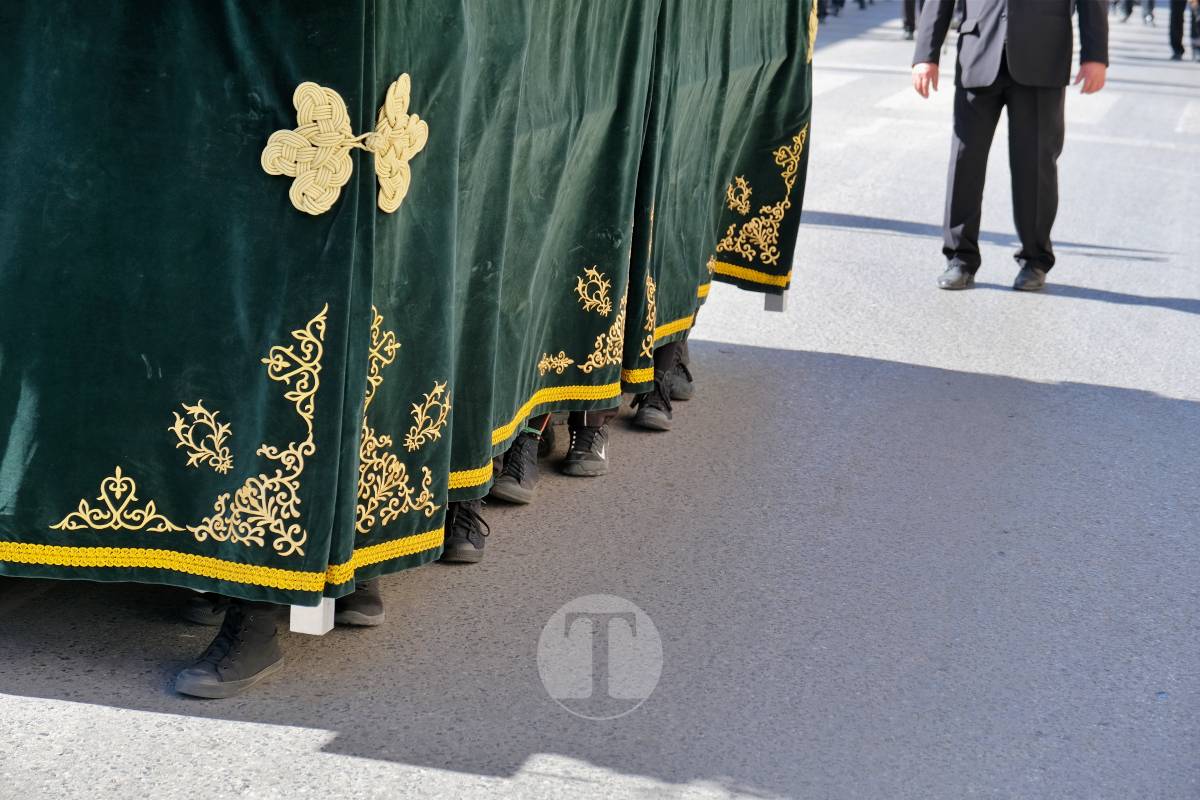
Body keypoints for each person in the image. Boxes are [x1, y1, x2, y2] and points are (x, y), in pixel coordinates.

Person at [913, 0, 1108, 292]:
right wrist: (926, 55)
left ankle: (1035, 260)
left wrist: (1095, 55)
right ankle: (960, 258)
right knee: (966, 160)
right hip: (978, 49)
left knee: (1036, 165)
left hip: (1043, 52)